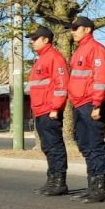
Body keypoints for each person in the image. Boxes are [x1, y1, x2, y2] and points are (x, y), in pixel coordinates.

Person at [67, 16, 105, 203]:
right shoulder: (79, 51)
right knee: (85, 145)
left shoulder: (96, 49)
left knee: (95, 145)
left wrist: (96, 104)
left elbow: (101, 78)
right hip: (79, 104)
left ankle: (100, 188)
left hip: (91, 104)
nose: (73, 31)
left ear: (87, 29)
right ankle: (92, 184)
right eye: (72, 28)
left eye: (76, 28)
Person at [27, 26, 70, 197]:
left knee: (54, 146)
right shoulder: (41, 59)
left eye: (35, 38)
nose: (32, 42)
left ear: (46, 40)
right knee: (47, 147)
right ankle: (51, 180)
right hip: (40, 110)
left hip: (49, 111)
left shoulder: (54, 57)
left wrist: (55, 108)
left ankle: (59, 182)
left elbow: (61, 85)